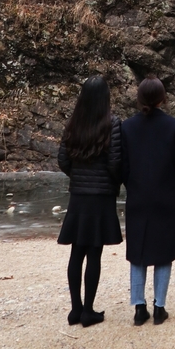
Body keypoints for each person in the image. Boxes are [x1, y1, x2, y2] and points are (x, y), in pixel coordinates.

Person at [121, 76, 175, 326]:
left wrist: (132, 184)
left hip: (138, 197)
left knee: (137, 252)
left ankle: (139, 308)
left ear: (139, 98)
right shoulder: (172, 126)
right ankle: (159, 308)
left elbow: (122, 166)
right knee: (164, 253)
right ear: (163, 99)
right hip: (166, 197)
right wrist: (174, 184)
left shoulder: (127, 127)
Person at [57, 75, 122, 327]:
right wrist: (114, 183)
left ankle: (75, 309)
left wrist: (77, 176)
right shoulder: (112, 124)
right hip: (101, 198)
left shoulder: (73, 124)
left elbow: (63, 160)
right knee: (94, 253)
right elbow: (116, 162)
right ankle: (89, 311)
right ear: (105, 98)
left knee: (76, 252)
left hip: (78, 197)